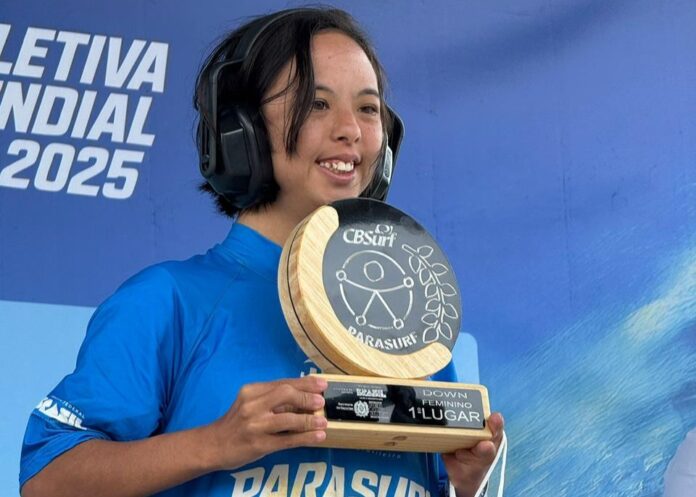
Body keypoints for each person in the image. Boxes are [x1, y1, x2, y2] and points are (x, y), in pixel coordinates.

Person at [19, 7, 504, 497]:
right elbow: (47, 480)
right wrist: (216, 443)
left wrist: (465, 487)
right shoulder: (169, 302)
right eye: (316, 103)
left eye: (368, 108)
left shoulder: (412, 329)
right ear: (242, 130)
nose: (350, 130)